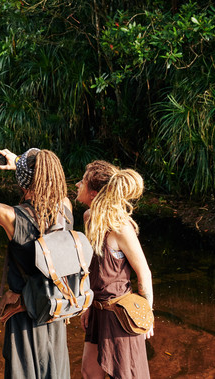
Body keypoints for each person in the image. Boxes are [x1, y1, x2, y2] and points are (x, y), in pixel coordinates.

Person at [0, 146, 73, 378]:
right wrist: (20, 163)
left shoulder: (10, 216)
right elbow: (47, 179)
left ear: (22, 183)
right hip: (55, 310)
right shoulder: (65, 208)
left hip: (24, 314)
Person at [77, 160, 154, 379]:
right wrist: (88, 305)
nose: (76, 185)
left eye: (81, 182)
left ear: (93, 193)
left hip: (119, 315)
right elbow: (93, 270)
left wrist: (146, 315)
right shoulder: (89, 218)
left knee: (125, 375)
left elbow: (144, 272)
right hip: (98, 311)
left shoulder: (120, 227)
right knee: (89, 372)